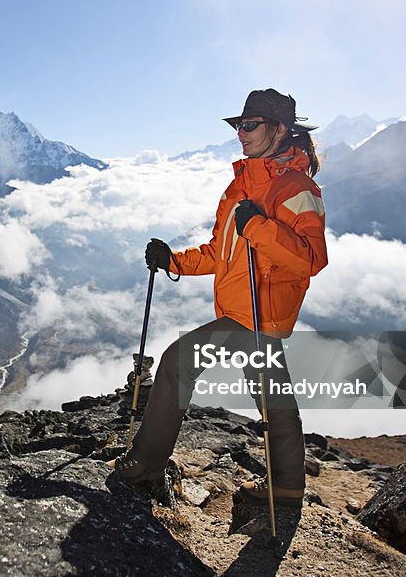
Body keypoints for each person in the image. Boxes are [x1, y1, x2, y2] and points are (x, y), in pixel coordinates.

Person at [110, 88, 328, 506]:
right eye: (238, 126)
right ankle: (287, 487)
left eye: (250, 125)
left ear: (280, 130)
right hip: (241, 309)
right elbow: (219, 252)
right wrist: (172, 260)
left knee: (177, 362)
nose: (241, 133)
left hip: (258, 315)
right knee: (274, 402)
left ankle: (146, 464)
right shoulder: (241, 185)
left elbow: (310, 259)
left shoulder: (297, 188)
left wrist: (259, 228)